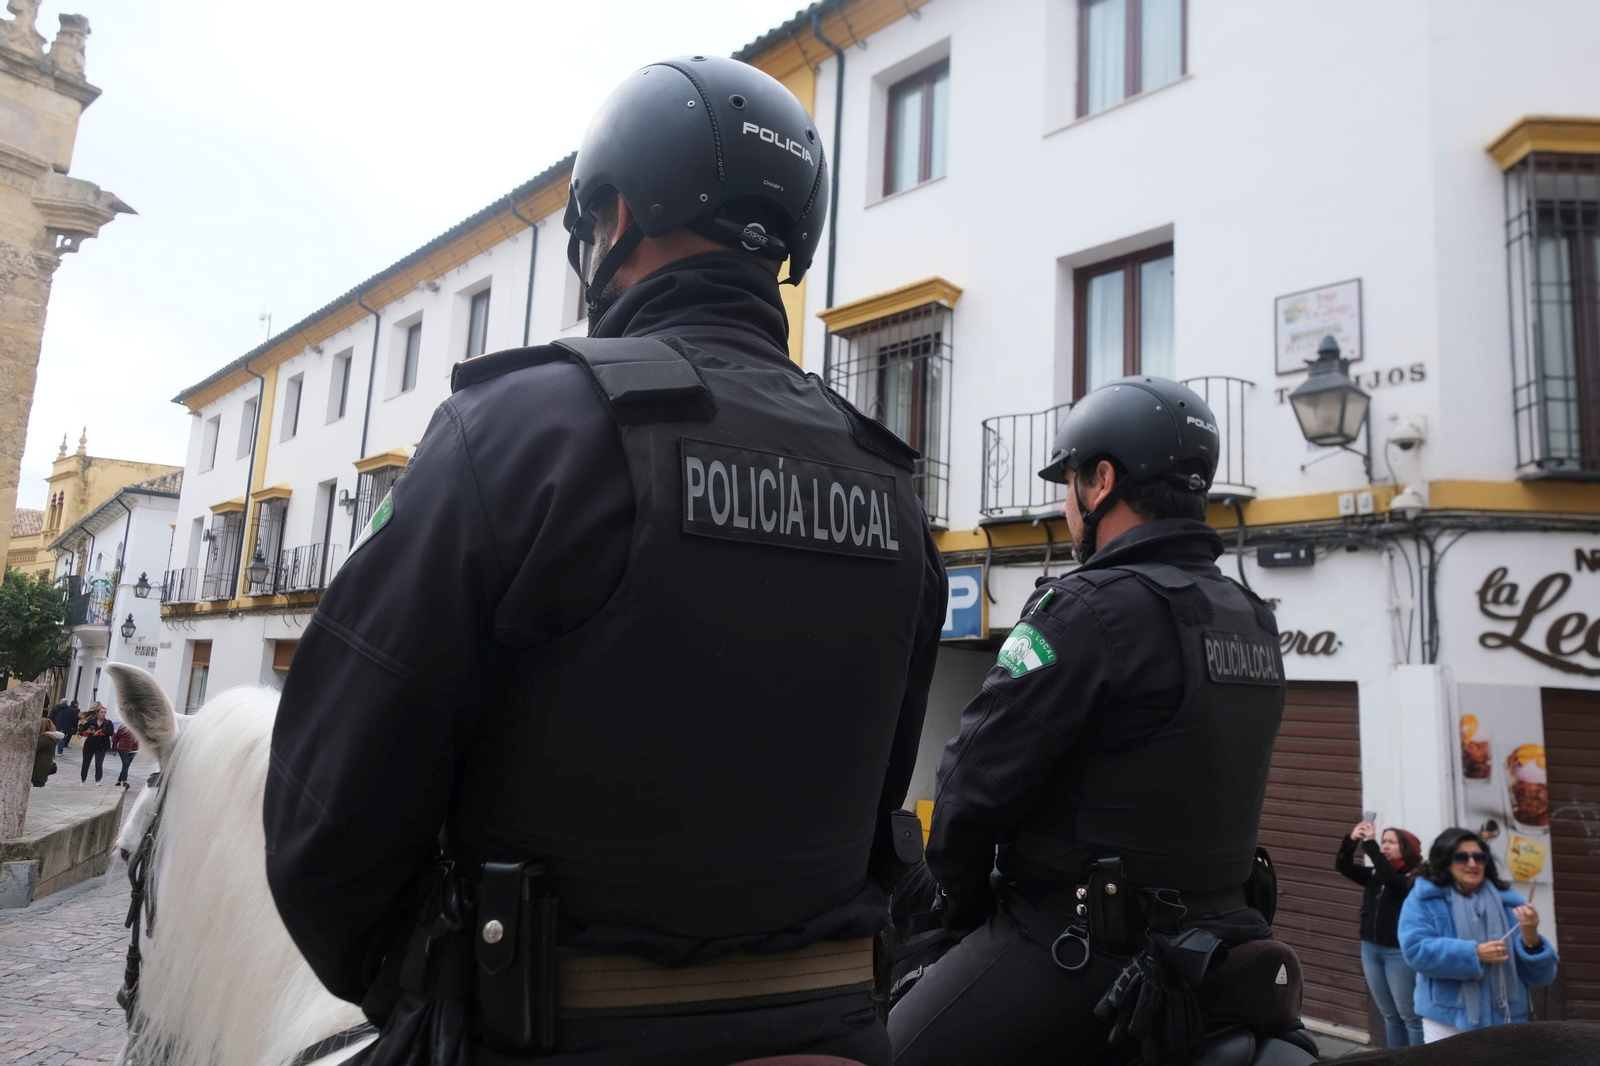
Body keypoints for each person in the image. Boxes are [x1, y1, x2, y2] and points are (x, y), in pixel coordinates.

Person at [264, 55, 945, 1066]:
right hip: (838, 1036)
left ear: (617, 214)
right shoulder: (892, 487)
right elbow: (885, 793)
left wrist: (447, 990)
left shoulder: (514, 430)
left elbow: (326, 830)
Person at [889, 378, 1293, 1066]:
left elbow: (966, 793)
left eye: (1069, 481)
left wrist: (962, 910)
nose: (1064, 503)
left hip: (1083, 951)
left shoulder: (1084, 610)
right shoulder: (1251, 617)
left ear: (1101, 481)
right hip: (1225, 940)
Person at [1398, 828, 1558, 1042]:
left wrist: (1531, 938)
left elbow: (1541, 977)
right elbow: (1415, 951)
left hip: (1507, 1019)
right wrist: (1473, 953)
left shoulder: (1509, 902)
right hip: (1447, 1018)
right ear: (1446, 860)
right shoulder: (1425, 898)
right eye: (1462, 857)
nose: (1472, 864)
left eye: (1479, 857)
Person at [1336, 821, 1424, 1046]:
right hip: (1370, 949)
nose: (1384, 846)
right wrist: (1352, 840)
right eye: (1383, 841)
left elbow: (1392, 880)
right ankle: (1396, 1060)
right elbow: (1343, 866)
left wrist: (1371, 845)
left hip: (1398, 953)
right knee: (1390, 1016)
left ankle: (1420, 1059)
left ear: (1407, 847)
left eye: (1391, 842)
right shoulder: (1377, 873)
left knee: (1410, 1017)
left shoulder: (1415, 878)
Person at [79, 702, 112, 784]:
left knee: (99, 763)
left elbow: (110, 732)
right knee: (86, 762)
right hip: (90, 744)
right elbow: (81, 732)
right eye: (101, 712)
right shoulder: (91, 722)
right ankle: (83, 779)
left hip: (101, 745)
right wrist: (88, 732)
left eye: (104, 712)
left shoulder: (108, 723)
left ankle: (98, 780)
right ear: (97, 713)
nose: (103, 714)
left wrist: (100, 732)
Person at [34, 718, 63, 786]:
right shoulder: (49, 737)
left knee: (38, 784)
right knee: (39, 782)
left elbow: (34, 749)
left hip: (40, 765)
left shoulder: (45, 738)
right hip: (45, 764)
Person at [111, 720, 138, 789]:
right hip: (123, 748)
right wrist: (114, 748)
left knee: (126, 765)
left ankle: (119, 781)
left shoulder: (138, 727)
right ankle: (125, 782)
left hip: (133, 749)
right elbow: (116, 738)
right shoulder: (123, 727)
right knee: (126, 763)